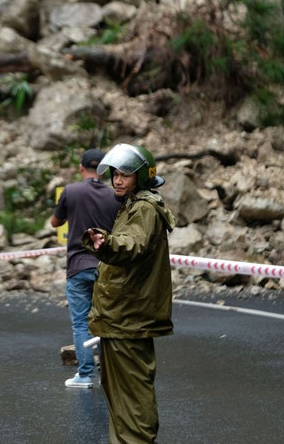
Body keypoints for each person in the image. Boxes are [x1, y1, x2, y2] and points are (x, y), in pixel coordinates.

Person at [83, 143, 177, 444]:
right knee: (121, 398)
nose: (118, 180)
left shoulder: (145, 209)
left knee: (132, 400)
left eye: (126, 173)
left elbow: (132, 244)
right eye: (115, 173)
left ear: (142, 177)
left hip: (128, 321)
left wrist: (106, 243)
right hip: (121, 319)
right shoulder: (134, 205)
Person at [50, 148, 119, 389]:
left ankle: (85, 375)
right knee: (108, 321)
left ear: (81, 168)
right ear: (104, 171)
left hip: (78, 265)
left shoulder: (71, 191)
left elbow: (55, 222)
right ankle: (112, 373)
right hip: (107, 267)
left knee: (81, 323)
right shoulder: (114, 195)